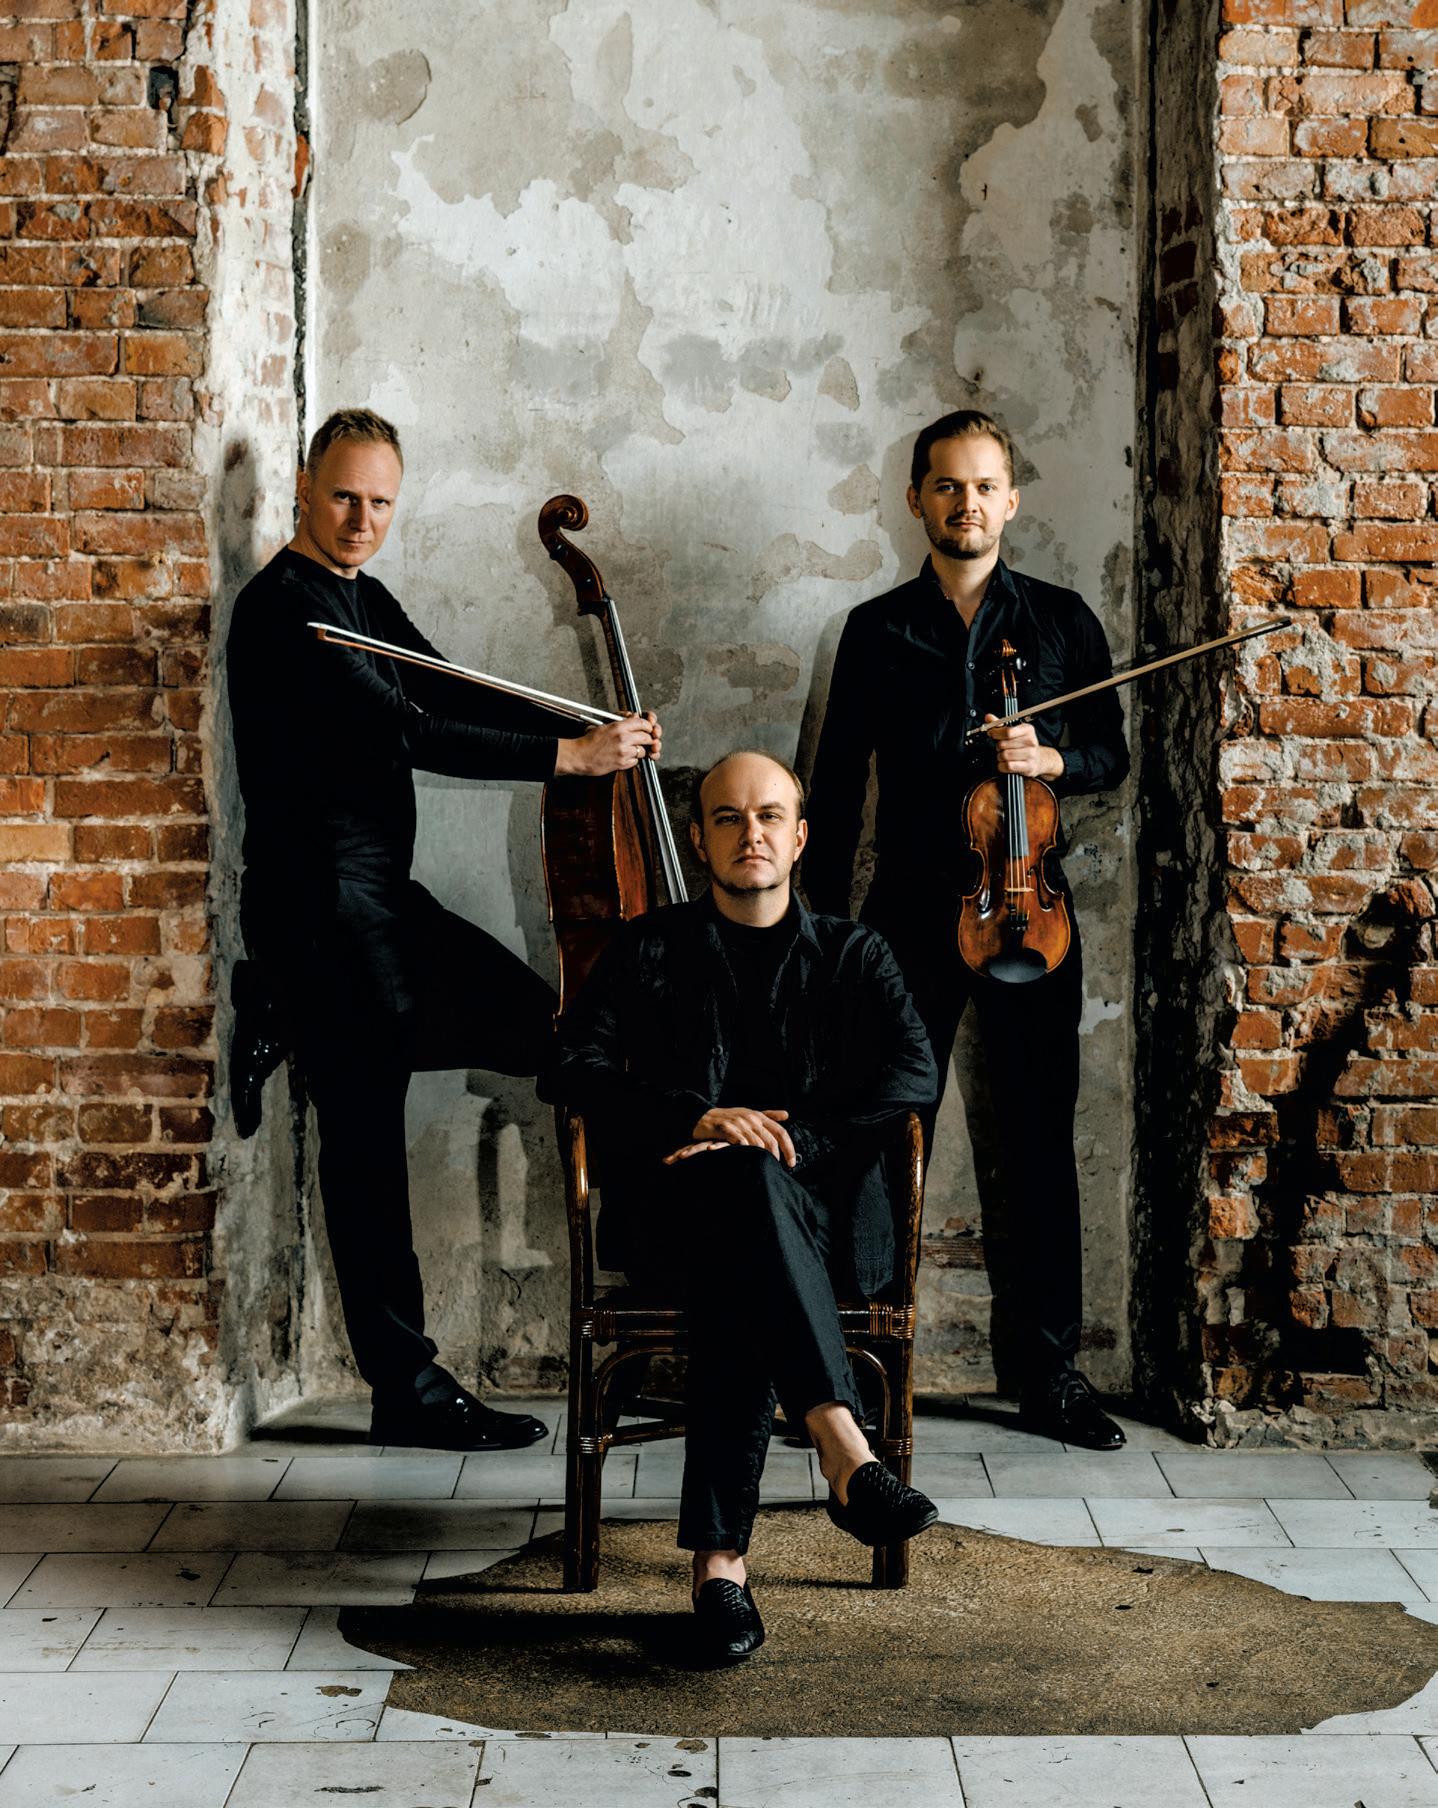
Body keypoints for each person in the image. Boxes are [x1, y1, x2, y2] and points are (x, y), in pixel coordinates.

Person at [226, 407, 661, 1452]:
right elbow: (409, 729)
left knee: (548, 1031)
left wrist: (586, 728)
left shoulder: (362, 597)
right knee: (365, 1142)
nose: (361, 518)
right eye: (343, 495)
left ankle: (280, 1004)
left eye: (380, 501)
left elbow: (447, 686)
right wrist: (567, 760)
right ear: (302, 486)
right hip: (320, 906)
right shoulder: (286, 611)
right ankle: (407, 1388)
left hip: (381, 897)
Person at [543, 749, 939, 1663]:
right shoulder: (648, 947)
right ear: (699, 839)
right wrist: (694, 1116)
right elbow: (568, 1066)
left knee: (749, 1225)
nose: (749, 833)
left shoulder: (856, 953)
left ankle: (720, 1570)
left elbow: (913, 1074)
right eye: (728, 817)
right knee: (743, 1212)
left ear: (799, 839)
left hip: (828, 1233)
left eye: (768, 816)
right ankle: (844, 1449)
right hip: (675, 1228)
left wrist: (800, 1144)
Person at [805, 409, 1130, 1452]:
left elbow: (1111, 754)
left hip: (1028, 905)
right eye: (947, 485)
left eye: (985, 485)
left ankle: (1049, 1373)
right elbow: (835, 787)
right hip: (908, 908)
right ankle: (857, 1367)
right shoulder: (875, 630)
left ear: (1011, 499)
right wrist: (820, 938)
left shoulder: (1062, 622)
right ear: (916, 499)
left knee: (1036, 1136)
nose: (967, 503)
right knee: (880, 1133)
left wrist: (1050, 760)